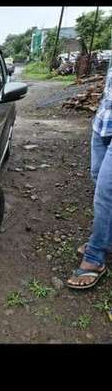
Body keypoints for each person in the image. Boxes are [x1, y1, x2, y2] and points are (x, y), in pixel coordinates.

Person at [67, 59, 112, 290]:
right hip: (105, 122)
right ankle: (107, 239)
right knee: (97, 179)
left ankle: (95, 259)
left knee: (106, 194)